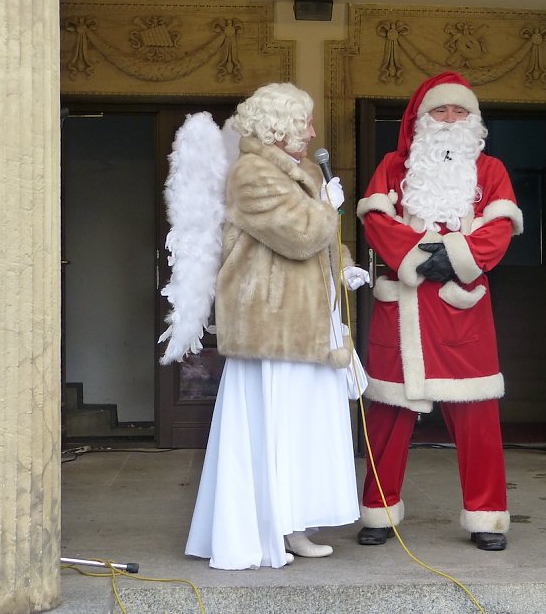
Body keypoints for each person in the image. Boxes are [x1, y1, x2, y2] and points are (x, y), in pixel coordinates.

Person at [184, 83, 368, 570]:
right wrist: (326, 207)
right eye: (303, 123)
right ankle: (266, 529)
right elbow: (301, 234)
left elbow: (321, 242)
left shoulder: (300, 172)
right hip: (271, 326)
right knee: (275, 430)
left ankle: (294, 525)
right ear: (277, 127)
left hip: (305, 323)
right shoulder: (251, 173)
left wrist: (345, 265)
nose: (312, 133)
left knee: (302, 433)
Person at [354, 71, 522, 551]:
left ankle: (487, 518)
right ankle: (379, 510)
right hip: (403, 309)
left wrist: (456, 258)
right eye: (440, 110)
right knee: (389, 415)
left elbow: (499, 229)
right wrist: (417, 257)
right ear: (422, 119)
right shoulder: (394, 165)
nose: (449, 119)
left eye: (459, 111)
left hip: (462, 307)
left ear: (473, 120)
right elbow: (376, 220)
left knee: (477, 417)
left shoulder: (491, 170)